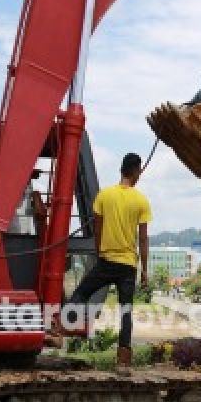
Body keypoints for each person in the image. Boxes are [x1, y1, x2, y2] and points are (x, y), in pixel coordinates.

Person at [67, 152, 151, 374]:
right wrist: (144, 271)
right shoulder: (141, 200)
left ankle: (62, 326)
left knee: (82, 292)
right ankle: (123, 362)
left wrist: (99, 252)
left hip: (106, 261)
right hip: (128, 266)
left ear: (121, 169)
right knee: (126, 312)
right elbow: (142, 238)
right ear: (136, 171)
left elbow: (97, 228)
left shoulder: (104, 195)